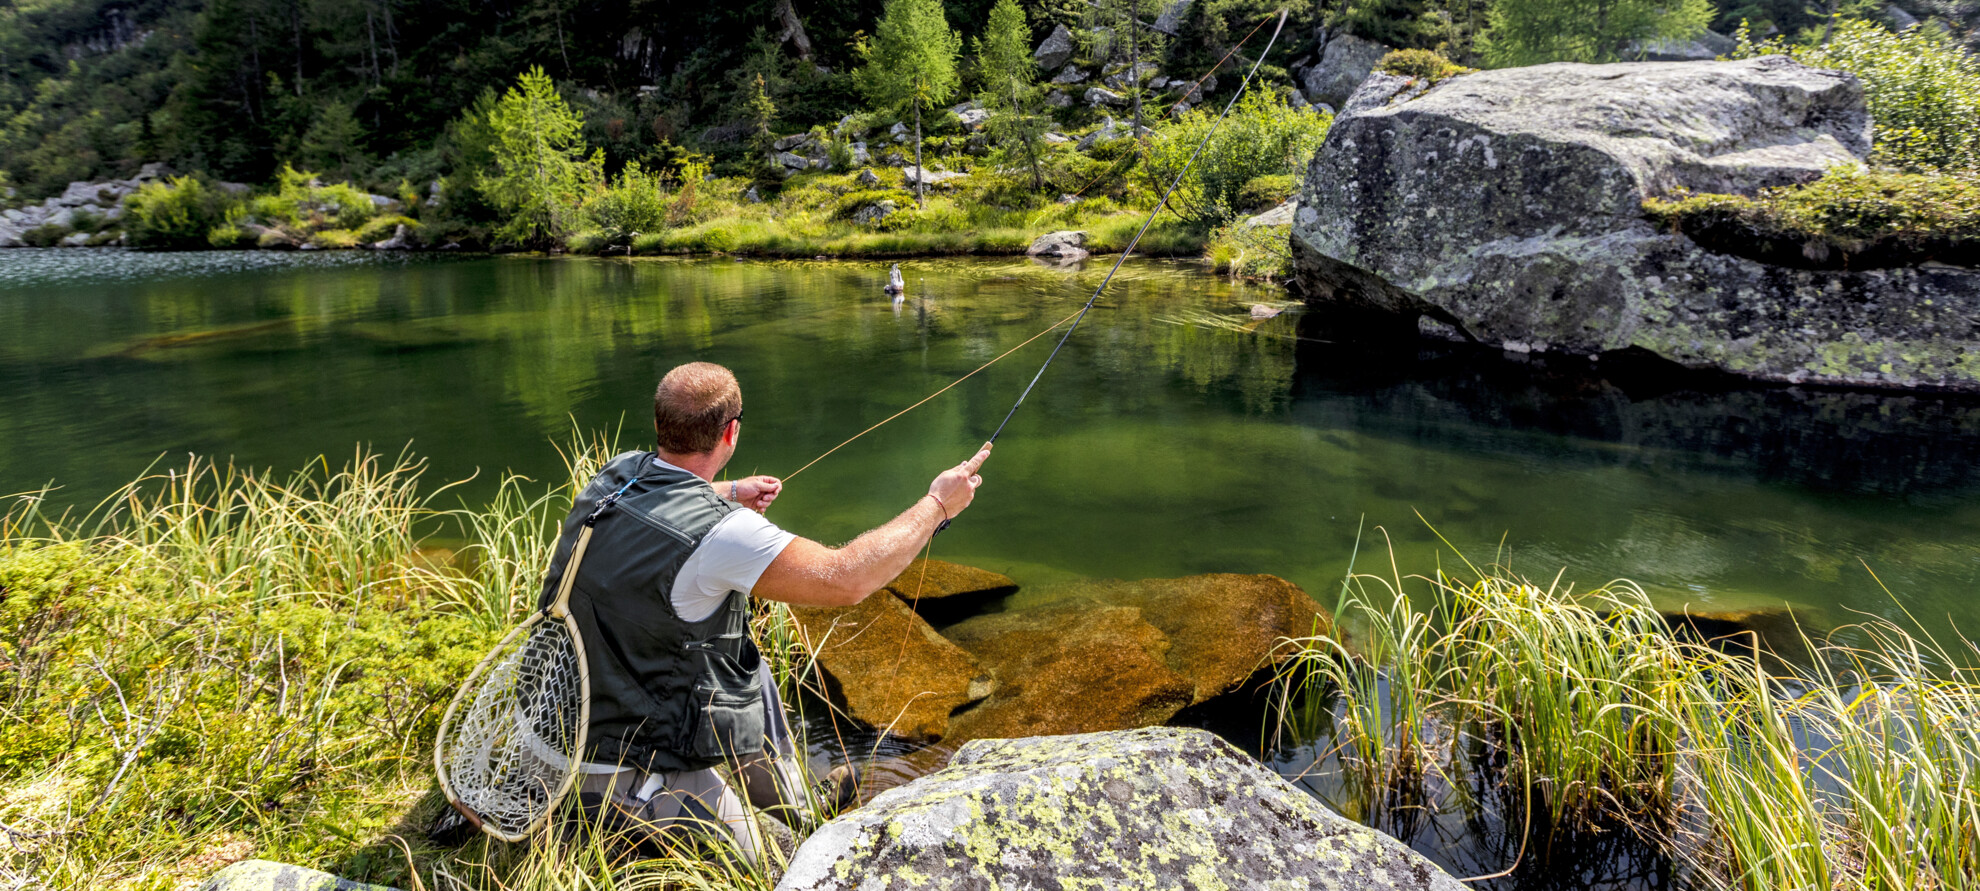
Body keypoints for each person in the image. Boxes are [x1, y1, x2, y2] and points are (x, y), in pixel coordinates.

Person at [545, 361, 990, 864]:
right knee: (777, 864)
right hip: (618, 767)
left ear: (660, 424)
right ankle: (761, 830)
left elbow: (665, 503)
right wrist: (937, 505)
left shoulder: (616, 475)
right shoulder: (726, 534)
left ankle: (797, 808)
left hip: (557, 721)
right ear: (731, 431)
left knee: (746, 670)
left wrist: (732, 492)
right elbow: (847, 578)